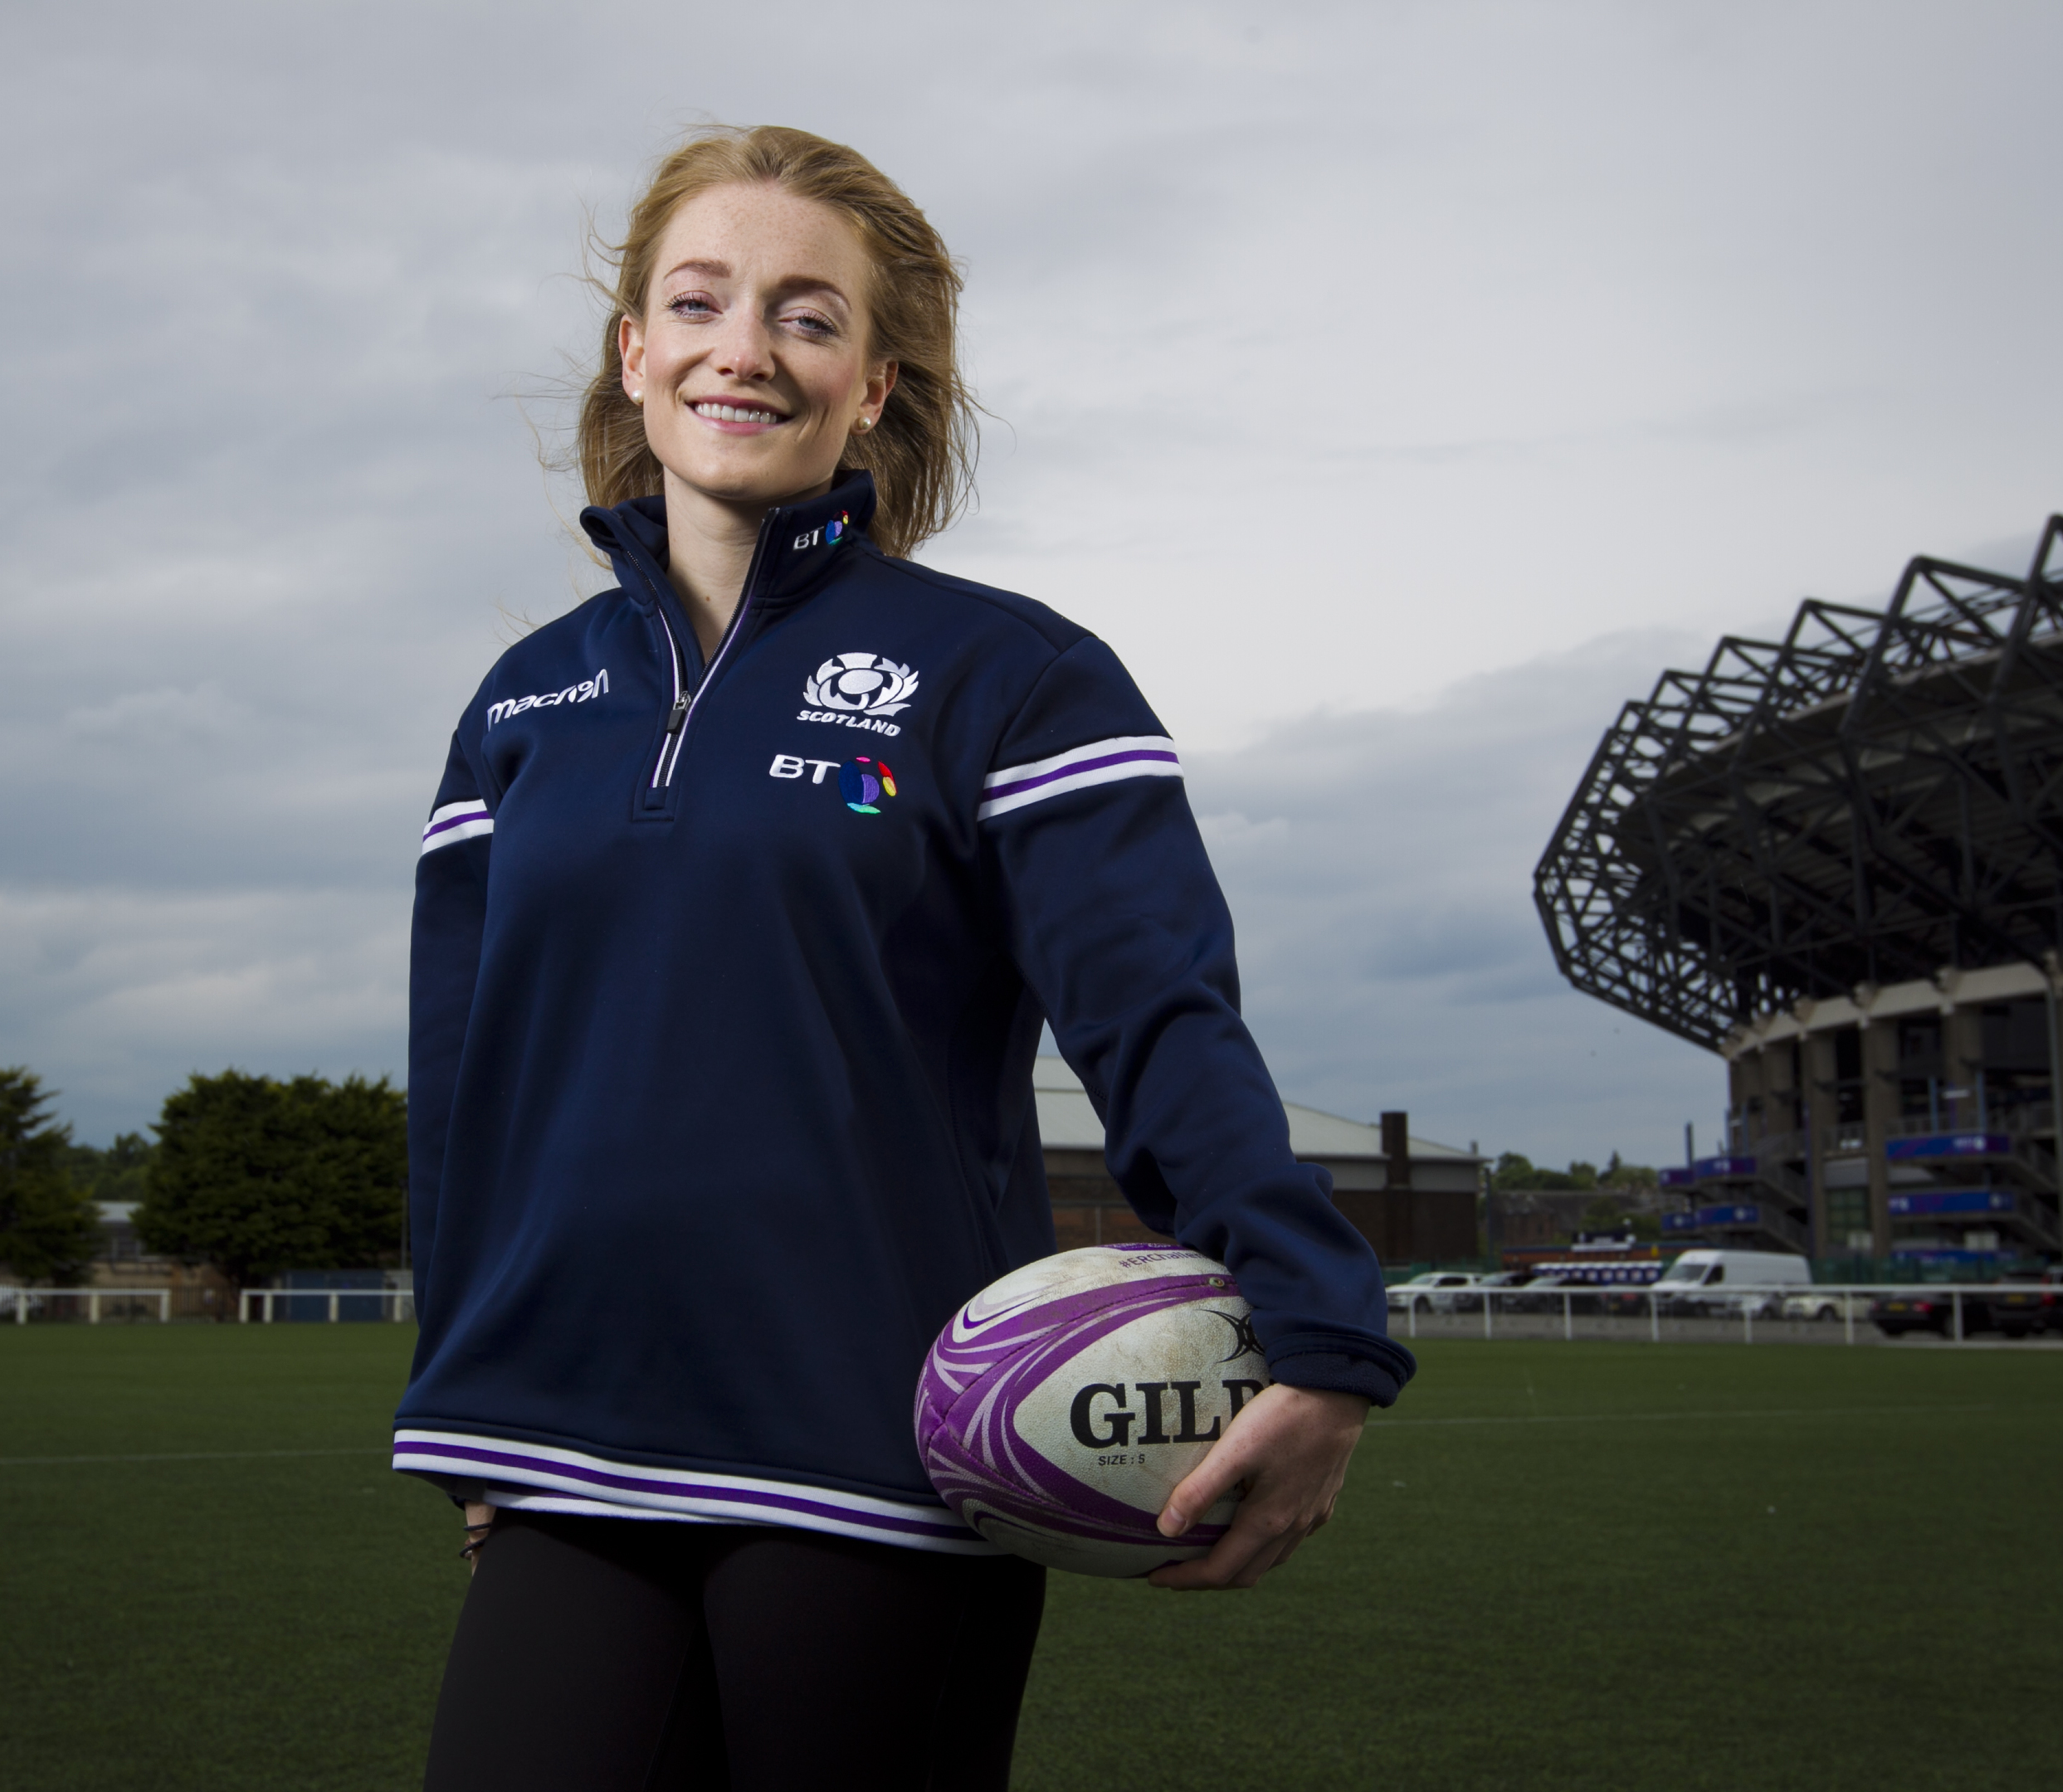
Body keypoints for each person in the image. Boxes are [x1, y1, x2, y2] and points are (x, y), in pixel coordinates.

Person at [397, 124, 1415, 1792]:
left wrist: (1322, 1332)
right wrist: (465, 1381)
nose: (749, 345)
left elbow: (1156, 1021)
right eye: (701, 301)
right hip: (565, 1447)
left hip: (875, 1450)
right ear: (636, 353)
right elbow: (466, 1088)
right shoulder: (521, 705)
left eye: (808, 315)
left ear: (874, 383)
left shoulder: (1009, 676)